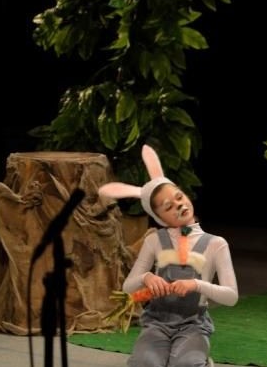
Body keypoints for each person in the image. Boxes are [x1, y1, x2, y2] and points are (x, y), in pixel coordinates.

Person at [98, 145, 239, 367]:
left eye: (179, 197)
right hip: (157, 324)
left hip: (193, 325)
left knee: (186, 364)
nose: (179, 205)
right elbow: (128, 287)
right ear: (160, 218)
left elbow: (231, 296)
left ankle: (200, 360)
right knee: (146, 363)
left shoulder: (216, 244)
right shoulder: (155, 240)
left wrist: (196, 284)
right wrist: (146, 278)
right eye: (168, 206)